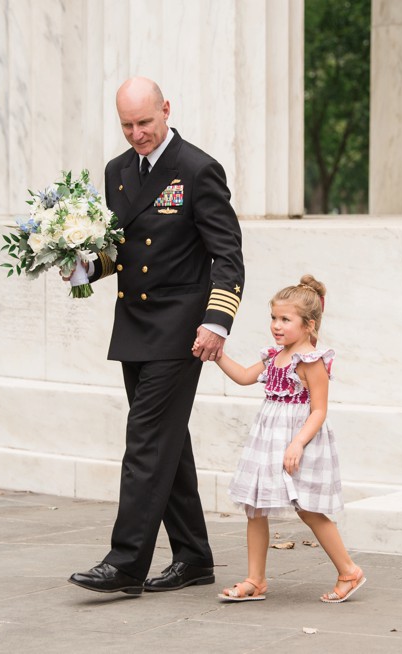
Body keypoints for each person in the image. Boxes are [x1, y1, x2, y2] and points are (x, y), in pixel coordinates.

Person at [68, 77, 245, 595]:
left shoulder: (197, 168)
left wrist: (217, 322)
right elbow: (121, 248)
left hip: (180, 331)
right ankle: (193, 557)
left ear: (166, 110)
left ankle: (125, 563)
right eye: (126, 125)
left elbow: (227, 255)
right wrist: (81, 266)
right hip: (134, 327)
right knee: (167, 445)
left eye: (145, 122)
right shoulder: (117, 171)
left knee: (145, 442)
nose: (136, 134)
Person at [207, 275, 365, 603]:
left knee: (308, 508)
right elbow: (244, 377)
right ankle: (255, 579)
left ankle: (349, 571)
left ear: (308, 325)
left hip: (298, 439)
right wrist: (217, 353)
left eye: (285, 319)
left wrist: (297, 443)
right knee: (255, 506)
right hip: (267, 437)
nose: (276, 326)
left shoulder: (312, 362)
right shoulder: (273, 356)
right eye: (273, 318)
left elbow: (319, 410)